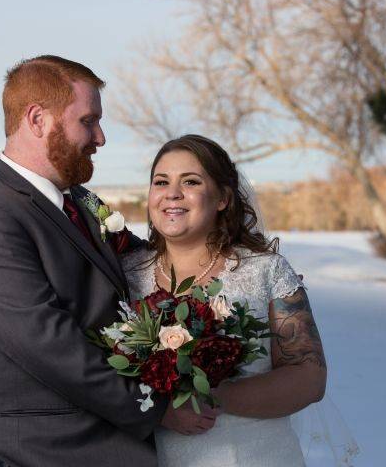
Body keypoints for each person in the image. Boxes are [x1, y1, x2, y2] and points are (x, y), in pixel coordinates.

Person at [0, 56, 215, 467]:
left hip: (96, 438)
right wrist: (154, 408)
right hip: (36, 448)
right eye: (88, 121)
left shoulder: (80, 203)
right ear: (37, 120)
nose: (101, 137)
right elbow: (47, 344)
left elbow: (146, 269)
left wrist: (229, 267)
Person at [122, 134, 332, 466]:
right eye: (161, 182)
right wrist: (160, 409)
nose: (172, 193)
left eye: (190, 181)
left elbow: (309, 376)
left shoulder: (266, 270)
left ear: (222, 198)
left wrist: (215, 397)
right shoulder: (125, 273)